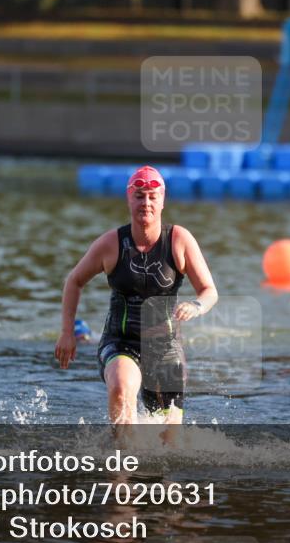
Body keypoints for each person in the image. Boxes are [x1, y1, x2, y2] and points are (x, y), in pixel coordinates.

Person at [55, 165, 218, 426]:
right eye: (139, 196)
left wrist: (196, 306)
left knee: (168, 442)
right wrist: (66, 332)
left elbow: (209, 291)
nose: (146, 203)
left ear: (162, 200)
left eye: (153, 197)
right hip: (121, 342)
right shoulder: (111, 244)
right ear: (128, 198)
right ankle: (122, 461)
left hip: (165, 348)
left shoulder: (179, 240)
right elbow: (74, 281)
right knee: (121, 386)